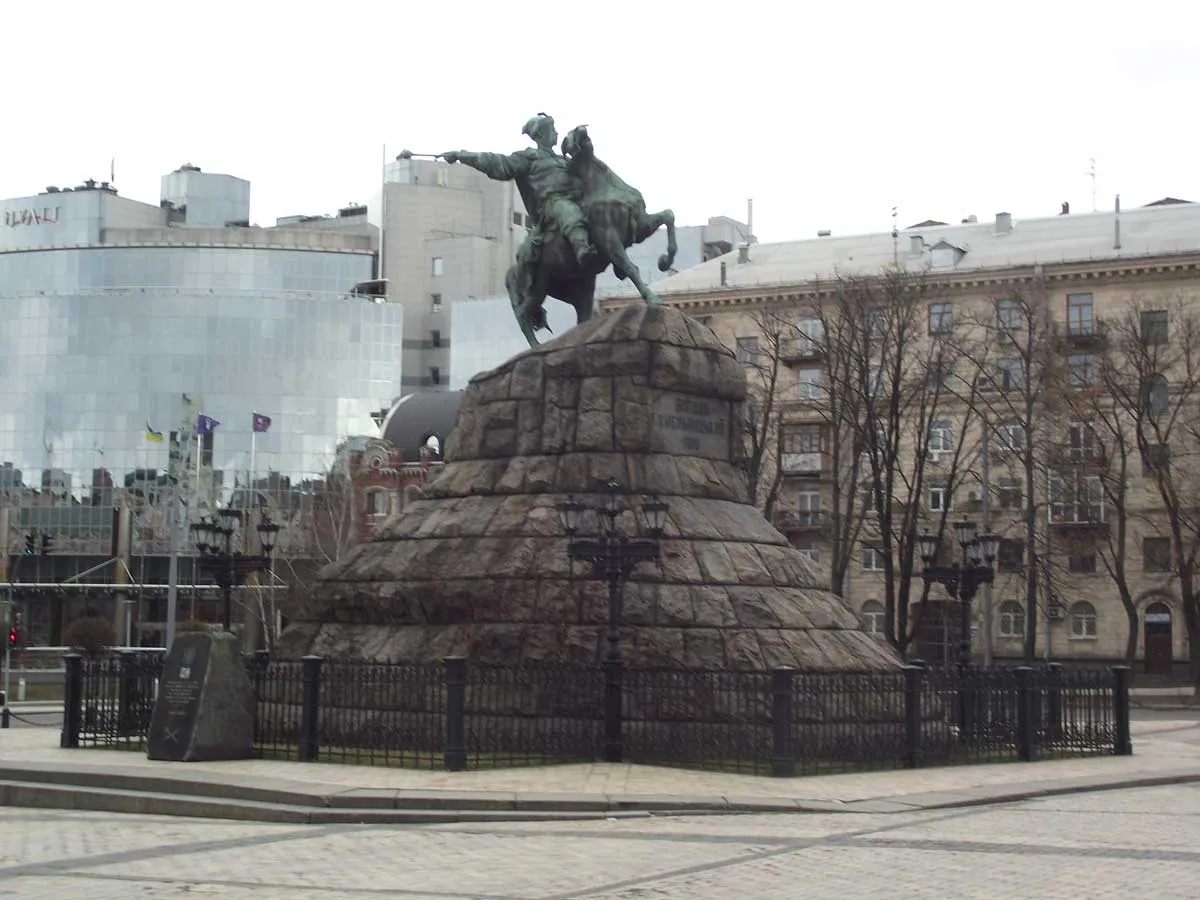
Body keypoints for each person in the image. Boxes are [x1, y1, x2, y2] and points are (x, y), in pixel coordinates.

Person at [442, 112, 596, 274]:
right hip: (553, 205)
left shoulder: (563, 160)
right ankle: (581, 248)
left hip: (576, 198)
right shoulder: (529, 158)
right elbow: (498, 163)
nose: (557, 133)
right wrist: (463, 155)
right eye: (553, 129)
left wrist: (584, 143)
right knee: (567, 209)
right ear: (541, 134)